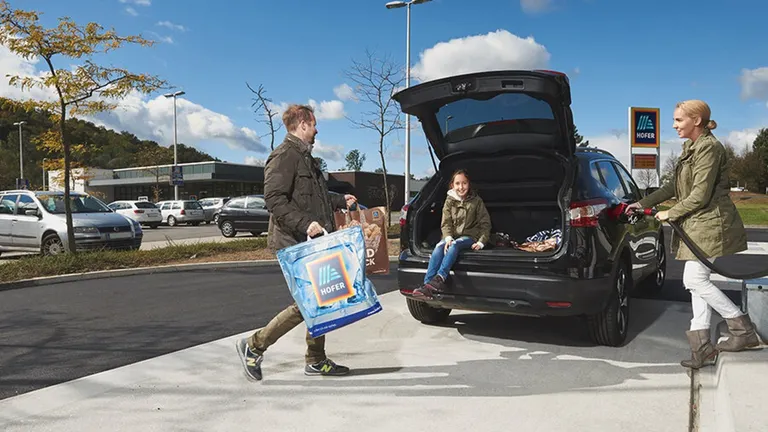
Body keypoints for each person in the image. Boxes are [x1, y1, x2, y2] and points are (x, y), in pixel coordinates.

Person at [625, 99, 760, 369]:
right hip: (695, 222)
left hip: (709, 220)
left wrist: (669, 213)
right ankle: (702, 349)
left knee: (695, 280)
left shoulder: (709, 148)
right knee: (697, 284)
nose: (674, 125)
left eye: (678, 120)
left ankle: (742, 330)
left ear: (696, 121)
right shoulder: (690, 149)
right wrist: (641, 204)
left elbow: (700, 195)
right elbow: (671, 188)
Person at [236, 104, 357, 381]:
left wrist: (339, 200)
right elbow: (274, 200)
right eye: (314, 124)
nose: (316, 130)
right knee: (309, 301)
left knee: (323, 298)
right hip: (293, 241)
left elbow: (313, 194)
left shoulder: (306, 157)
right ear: (302, 124)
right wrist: (306, 223)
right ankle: (254, 346)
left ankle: (315, 359)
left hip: (311, 240)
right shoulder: (284, 156)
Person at [412, 169, 491, 298]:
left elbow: (485, 223)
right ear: (452, 185)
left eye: (464, 183)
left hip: (470, 236)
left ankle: (440, 278)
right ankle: (427, 286)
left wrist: (481, 242)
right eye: (458, 183)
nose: (461, 187)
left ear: (469, 184)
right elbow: (446, 223)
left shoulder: (476, 201)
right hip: (452, 237)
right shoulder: (449, 201)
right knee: (439, 246)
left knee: (455, 245)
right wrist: (447, 237)